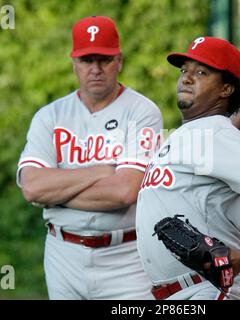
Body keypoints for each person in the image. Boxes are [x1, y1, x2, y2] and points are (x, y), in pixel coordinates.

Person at [135, 36, 240, 300]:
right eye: (184, 71)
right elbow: (216, 145)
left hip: (209, 288)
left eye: (201, 72)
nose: (187, 78)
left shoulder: (217, 136)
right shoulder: (196, 135)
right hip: (182, 291)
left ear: (225, 89)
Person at [17, 16, 163, 300]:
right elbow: (32, 187)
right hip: (63, 254)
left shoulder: (142, 112)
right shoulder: (50, 116)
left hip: (126, 259)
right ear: (74, 63)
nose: (95, 69)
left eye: (104, 59)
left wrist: (54, 192)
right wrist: (103, 170)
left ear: (119, 61)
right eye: (86, 60)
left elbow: (124, 191)